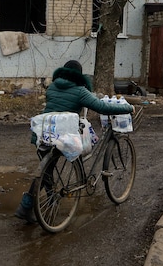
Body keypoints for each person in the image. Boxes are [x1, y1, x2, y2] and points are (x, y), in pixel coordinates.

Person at [15, 59, 135, 223]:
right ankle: (44, 203)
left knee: (46, 171)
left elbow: (64, 100)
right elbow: (102, 108)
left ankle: (30, 206)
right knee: (52, 168)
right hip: (63, 136)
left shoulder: (53, 87)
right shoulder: (79, 91)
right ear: (79, 75)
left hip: (44, 134)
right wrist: (128, 108)